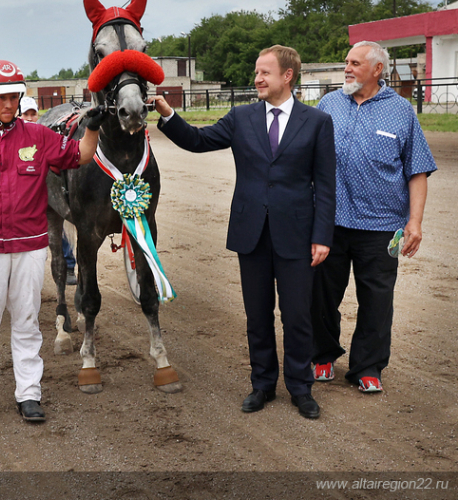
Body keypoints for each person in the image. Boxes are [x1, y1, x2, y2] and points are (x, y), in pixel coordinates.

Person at [154, 45, 336, 419]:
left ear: (288, 76)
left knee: (298, 316)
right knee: (257, 315)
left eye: (265, 72)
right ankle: (263, 386)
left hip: (298, 235)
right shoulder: (241, 117)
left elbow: (326, 184)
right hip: (251, 231)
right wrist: (169, 115)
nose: (257, 78)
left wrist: (322, 235)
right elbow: (198, 141)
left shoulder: (317, 122)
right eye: (256, 72)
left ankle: (301, 389)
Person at [0, 60, 105, 430]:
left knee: (28, 322)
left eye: (15, 96)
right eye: (1, 98)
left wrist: (91, 128)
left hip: (30, 247)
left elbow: (79, 155)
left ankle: (29, 394)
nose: (10, 104)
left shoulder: (38, 136)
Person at [311, 41, 437, 393]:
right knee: (320, 295)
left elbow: (417, 171)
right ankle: (321, 355)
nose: (347, 68)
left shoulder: (401, 112)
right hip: (328, 222)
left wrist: (414, 222)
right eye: (346, 62)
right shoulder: (328, 105)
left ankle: (368, 367)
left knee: (377, 301)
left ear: (377, 69)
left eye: (355, 63)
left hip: (381, 227)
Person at [19, 96, 78, 286]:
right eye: (24, 114)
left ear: (38, 115)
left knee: (58, 220)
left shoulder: (44, 136)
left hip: (44, 190)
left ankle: (68, 264)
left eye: (32, 114)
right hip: (23, 195)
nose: (29, 118)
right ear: (17, 116)